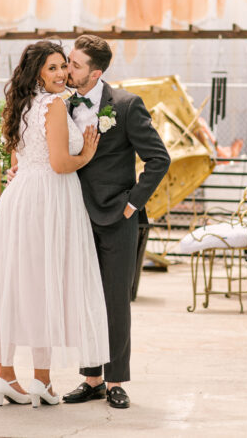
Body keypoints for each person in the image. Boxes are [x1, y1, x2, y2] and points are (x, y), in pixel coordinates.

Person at [0, 40, 109, 408]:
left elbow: (17, 159)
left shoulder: (21, 105)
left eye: (64, 66)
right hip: (49, 198)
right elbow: (61, 164)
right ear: (36, 73)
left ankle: (5, 374)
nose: (62, 73)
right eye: (52, 68)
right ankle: (43, 382)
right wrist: (88, 153)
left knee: (15, 283)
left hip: (19, 198)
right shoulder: (54, 106)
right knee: (44, 284)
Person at [60, 34, 171, 409]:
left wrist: (132, 205)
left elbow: (159, 158)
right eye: (68, 62)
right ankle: (90, 379)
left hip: (116, 217)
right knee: (84, 299)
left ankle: (115, 381)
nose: (67, 69)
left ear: (96, 73)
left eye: (75, 65)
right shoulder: (61, 105)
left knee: (114, 301)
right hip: (74, 216)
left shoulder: (125, 106)